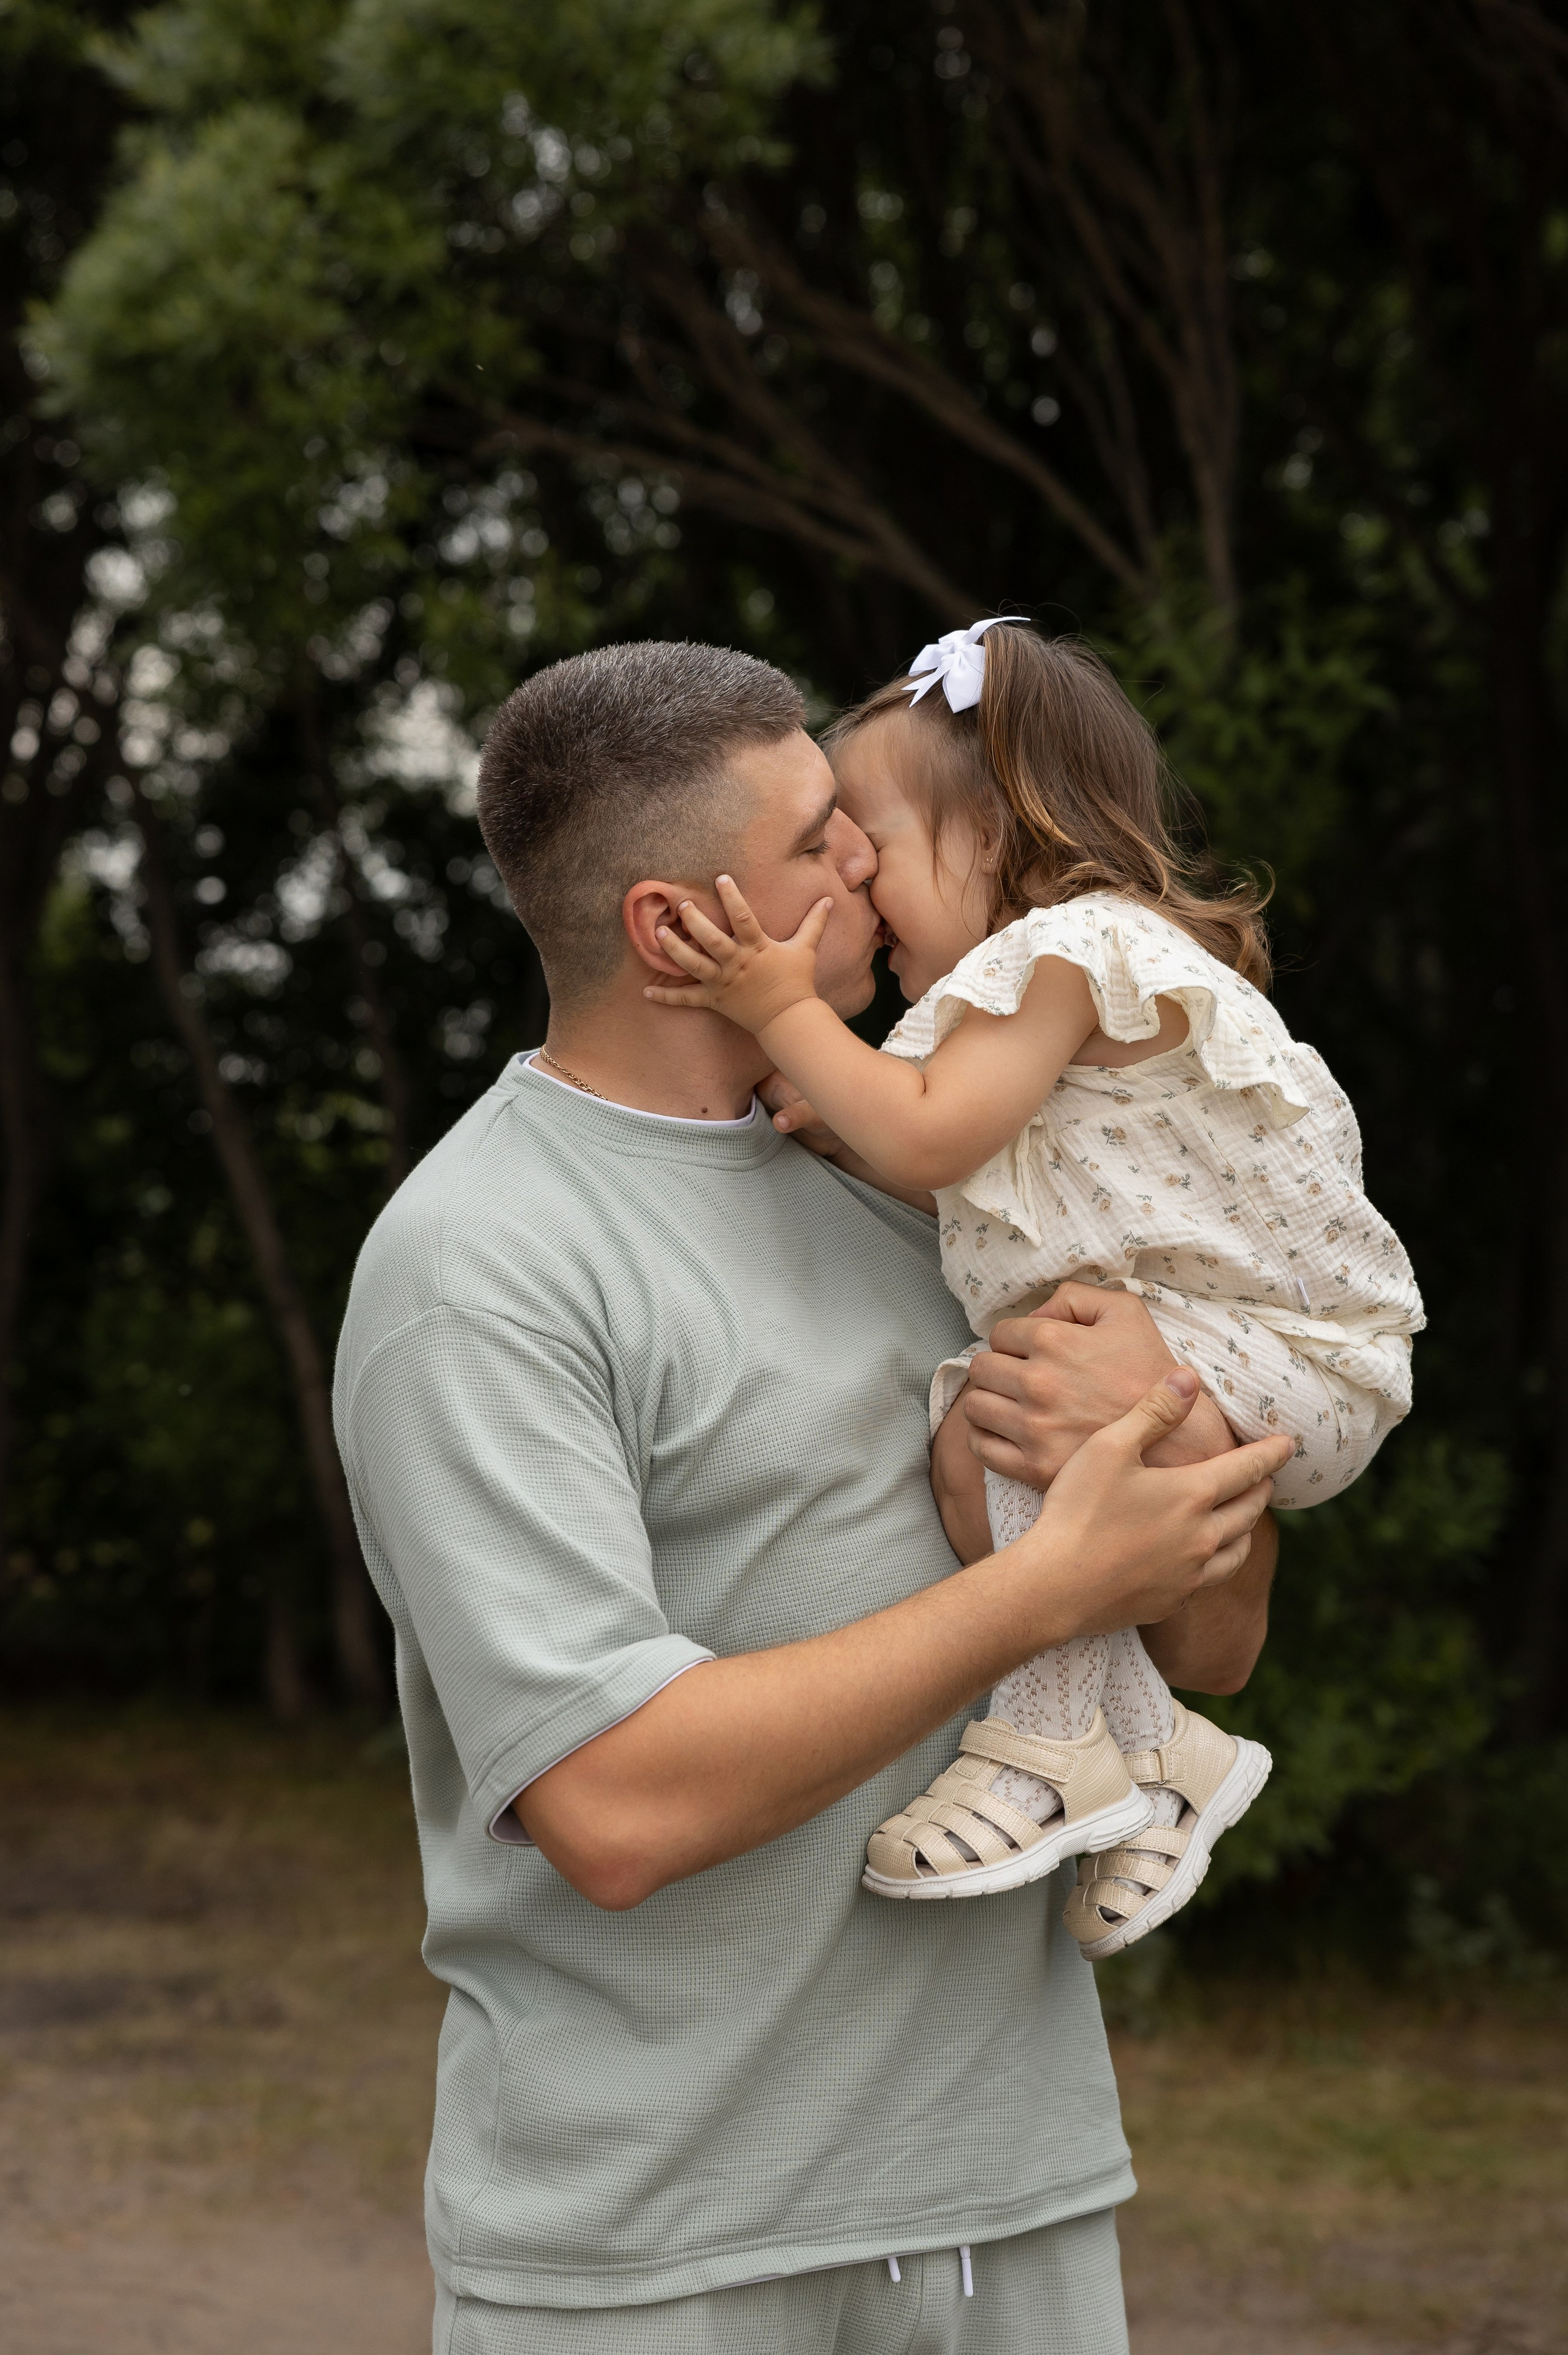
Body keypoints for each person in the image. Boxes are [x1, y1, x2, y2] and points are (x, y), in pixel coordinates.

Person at [333, 638, 1291, 2355]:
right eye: (816, 842)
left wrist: (1170, 1432)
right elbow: (613, 1809)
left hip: (1016, 2203)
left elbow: (1214, 1639)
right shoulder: (479, 1268)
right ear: (674, 930)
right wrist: (1042, 1590)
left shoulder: (951, 1185)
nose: (869, 859)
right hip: (653, 2253)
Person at [643, 619, 1424, 1958]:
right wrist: (849, 1121)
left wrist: (785, 1014)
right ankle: (1159, 1751)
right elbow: (985, 1191)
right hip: (1254, 1361)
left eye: (869, 844)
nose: (852, 876)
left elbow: (935, 1139)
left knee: (1000, 1411)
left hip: (1275, 1348)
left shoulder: (1060, 953)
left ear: (993, 841)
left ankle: (1046, 1743)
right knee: (972, 1454)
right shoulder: (1049, 984)